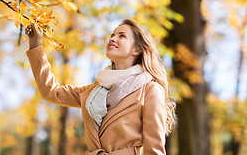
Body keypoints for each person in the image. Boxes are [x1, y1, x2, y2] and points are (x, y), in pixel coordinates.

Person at [25, 19, 175, 155]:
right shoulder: (95, 90)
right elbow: (51, 93)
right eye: (112, 35)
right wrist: (36, 45)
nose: (112, 38)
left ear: (136, 50)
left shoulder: (150, 90)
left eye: (121, 36)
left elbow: (154, 149)